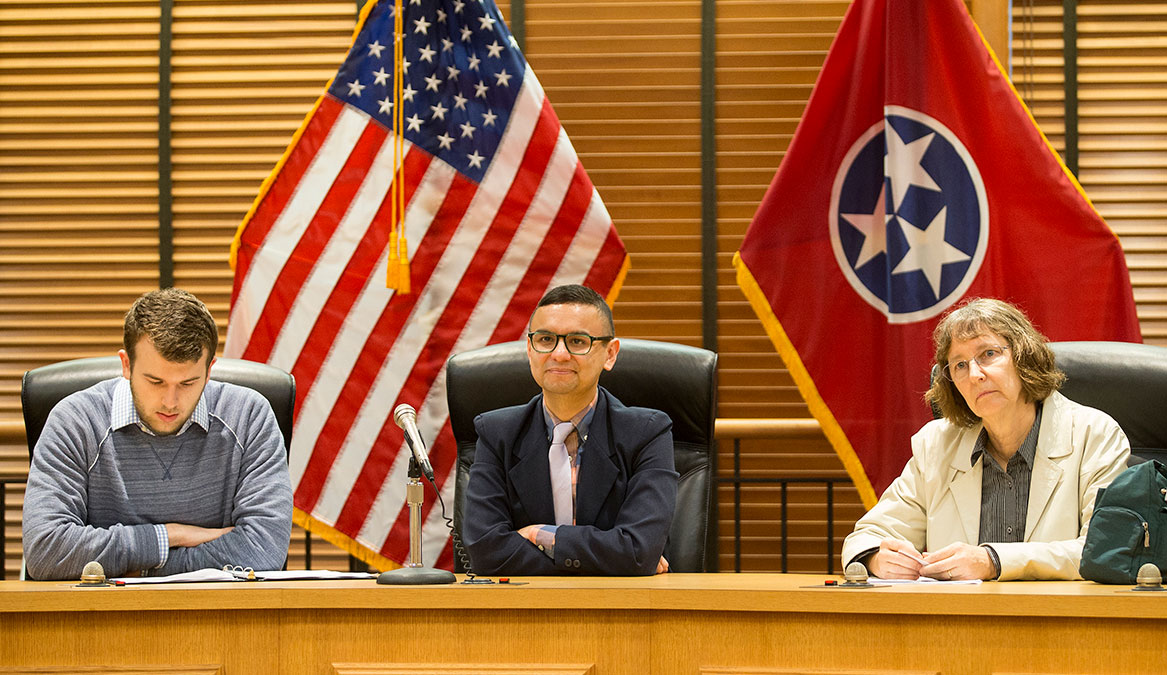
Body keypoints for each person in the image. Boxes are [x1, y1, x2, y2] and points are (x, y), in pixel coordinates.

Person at [841, 298, 1130, 581]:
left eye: (989, 354)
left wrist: (993, 561)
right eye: (960, 365)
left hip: (1060, 611)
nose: (975, 375)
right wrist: (877, 558)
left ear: (1023, 356)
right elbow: (867, 537)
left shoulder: (1094, 434)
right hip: (959, 614)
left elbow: (1102, 549)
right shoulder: (936, 445)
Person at [22, 288, 293, 580]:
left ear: (209, 370)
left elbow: (264, 549)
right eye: (155, 381)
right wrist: (171, 535)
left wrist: (139, 569)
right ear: (126, 365)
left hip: (217, 607)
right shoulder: (76, 421)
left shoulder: (248, 417)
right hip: (104, 608)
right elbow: (46, 550)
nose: (170, 402)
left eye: (188, 383)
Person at [464, 284, 678, 575]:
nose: (560, 354)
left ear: (610, 354)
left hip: (622, 602)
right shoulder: (496, 433)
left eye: (577, 341)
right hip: (523, 602)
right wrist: (613, 557)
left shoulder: (647, 433)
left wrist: (538, 535)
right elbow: (486, 553)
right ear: (529, 349)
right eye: (546, 339)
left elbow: (638, 551)